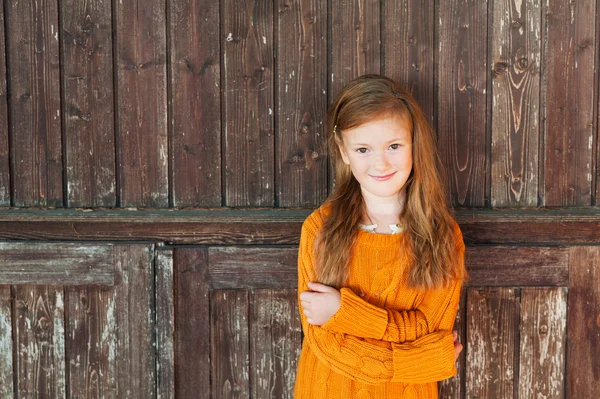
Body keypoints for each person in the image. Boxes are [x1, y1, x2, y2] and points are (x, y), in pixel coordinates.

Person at [293, 74, 469, 398]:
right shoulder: (320, 230)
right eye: (363, 148)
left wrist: (345, 313)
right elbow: (324, 342)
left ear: (414, 143)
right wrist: (423, 359)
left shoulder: (442, 236)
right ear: (343, 152)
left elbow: (432, 330)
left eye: (394, 145)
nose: (381, 162)